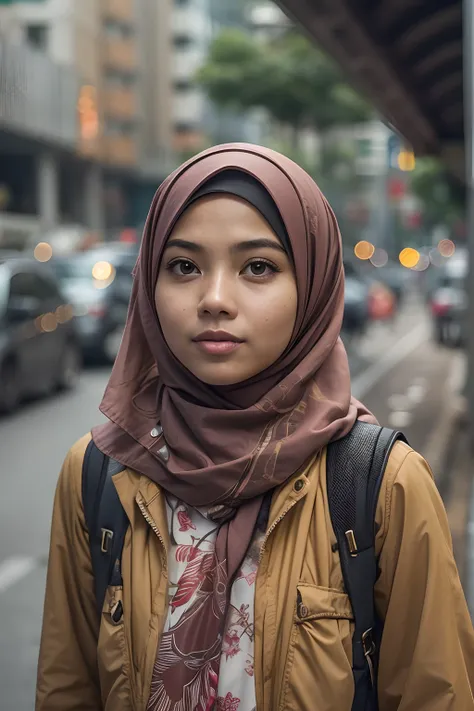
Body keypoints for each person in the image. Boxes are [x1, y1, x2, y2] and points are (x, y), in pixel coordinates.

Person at [36, 144, 474, 711]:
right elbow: (67, 690)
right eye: (184, 266)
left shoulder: (381, 487)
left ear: (312, 287)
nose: (215, 299)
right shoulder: (97, 475)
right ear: (149, 284)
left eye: (258, 267)